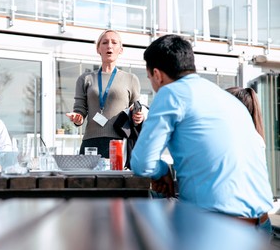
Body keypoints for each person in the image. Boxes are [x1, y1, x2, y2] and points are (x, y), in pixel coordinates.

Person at [130, 34, 274, 234]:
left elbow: (141, 163)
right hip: (262, 224)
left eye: (149, 78)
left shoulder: (171, 93)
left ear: (157, 74)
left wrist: (162, 171)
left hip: (222, 228)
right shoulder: (226, 98)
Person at [66, 29, 144, 161]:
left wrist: (138, 117)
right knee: (87, 181)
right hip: (91, 142)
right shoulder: (86, 78)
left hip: (119, 143)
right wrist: (78, 117)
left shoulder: (131, 79)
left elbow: (136, 109)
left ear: (121, 49)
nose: (109, 46)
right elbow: (80, 109)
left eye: (114, 43)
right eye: (105, 42)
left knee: (117, 181)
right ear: (98, 49)